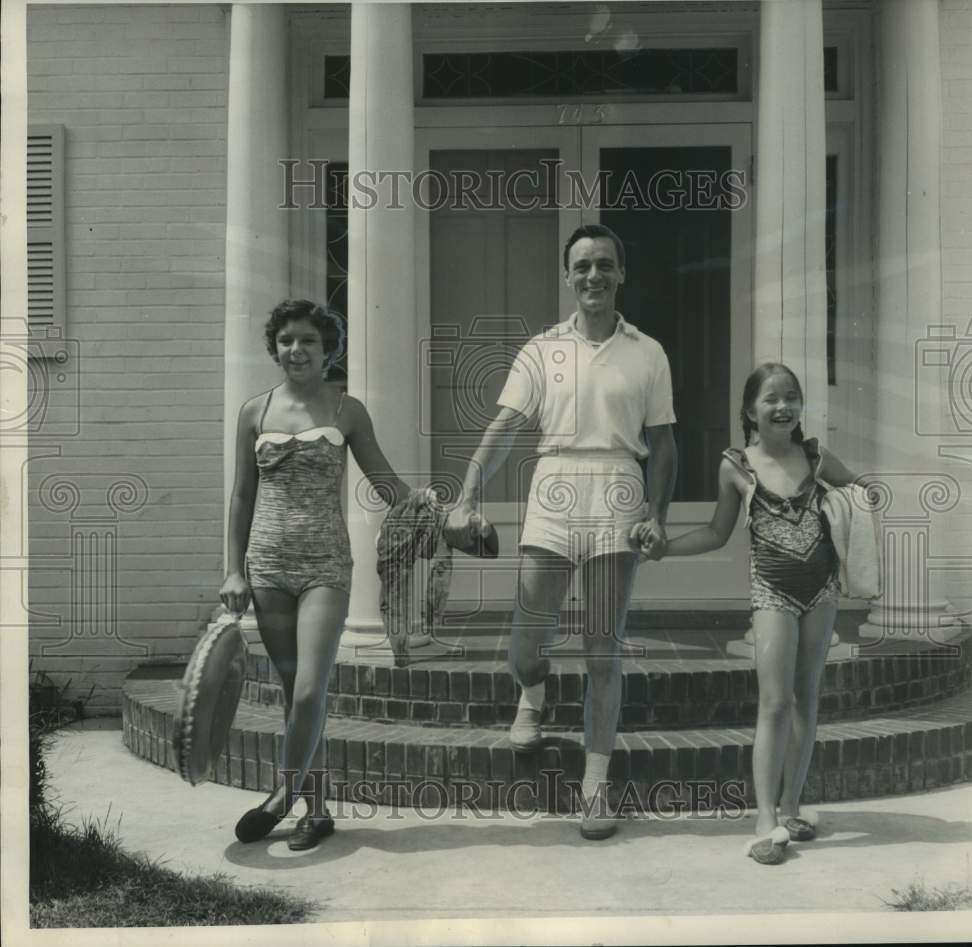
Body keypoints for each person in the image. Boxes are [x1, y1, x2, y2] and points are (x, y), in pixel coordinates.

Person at [446, 224, 678, 840]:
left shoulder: (647, 351)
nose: (594, 276)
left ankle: (595, 787)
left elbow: (665, 441)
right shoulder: (541, 349)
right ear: (568, 277)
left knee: (603, 649)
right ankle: (533, 696)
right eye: (582, 267)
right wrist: (468, 491)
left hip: (619, 489)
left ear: (621, 273)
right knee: (527, 643)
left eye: (605, 264)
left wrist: (658, 512)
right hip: (554, 485)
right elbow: (504, 426)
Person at [219, 299, 431, 850]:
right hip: (266, 567)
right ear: (275, 347)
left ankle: (283, 793)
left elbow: (387, 483)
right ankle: (317, 811)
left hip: (325, 567)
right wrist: (233, 571)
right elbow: (242, 496)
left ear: (327, 349)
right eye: (287, 340)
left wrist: (433, 511)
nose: (297, 349)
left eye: (308, 340)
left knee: (312, 689)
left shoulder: (346, 411)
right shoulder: (253, 412)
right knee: (292, 693)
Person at [639, 362, 866, 864]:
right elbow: (718, 533)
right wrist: (665, 549)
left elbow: (861, 490)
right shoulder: (736, 465)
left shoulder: (816, 456)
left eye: (791, 397)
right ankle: (765, 820)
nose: (782, 406)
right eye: (770, 399)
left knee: (807, 699)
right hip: (773, 594)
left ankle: (791, 806)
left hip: (822, 590)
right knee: (775, 703)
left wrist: (853, 510)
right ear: (749, 410)